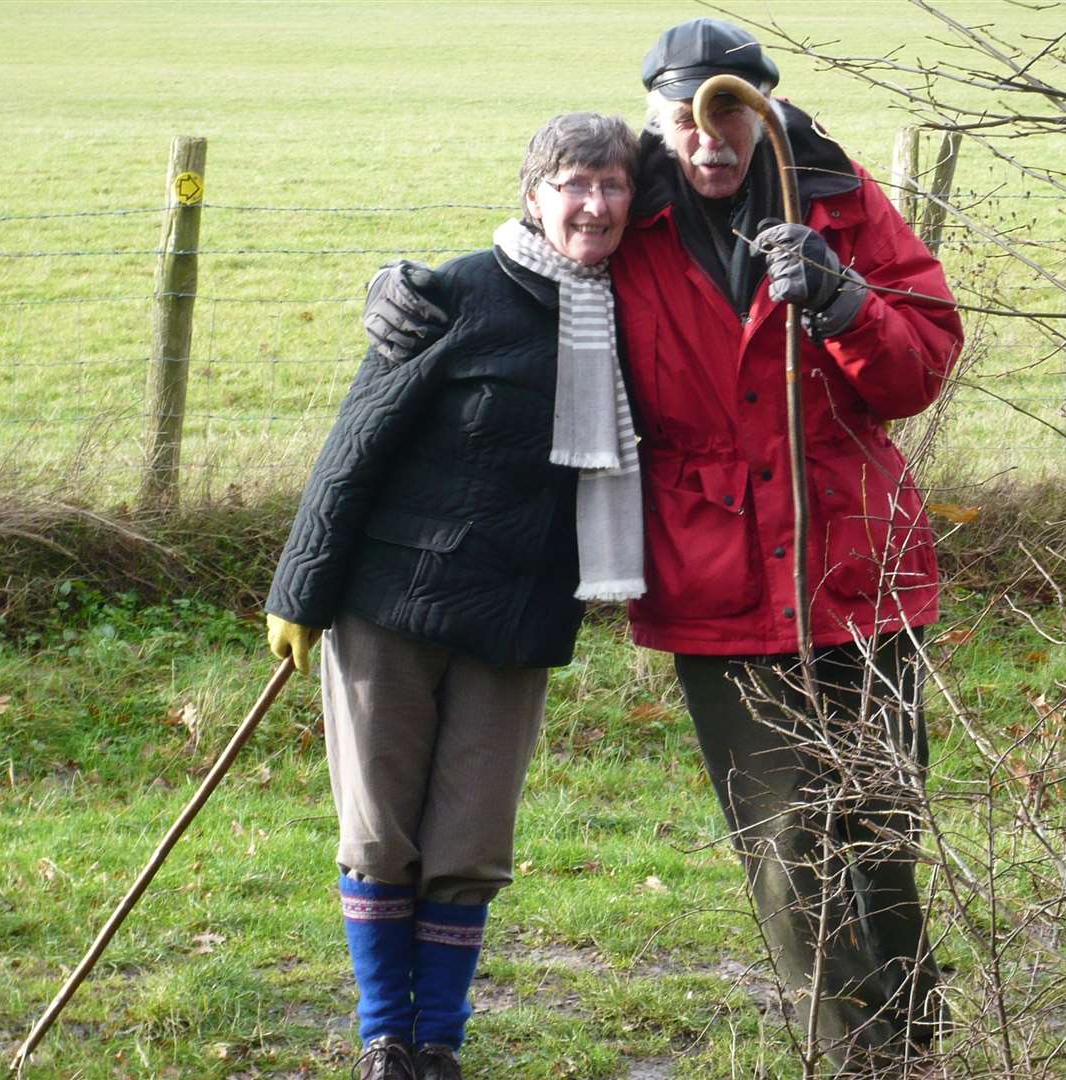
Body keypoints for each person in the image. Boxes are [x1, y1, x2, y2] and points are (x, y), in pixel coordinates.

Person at [366, 19, 963, 1072]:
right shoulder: (625, 216)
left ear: (761, 109)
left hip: (859, 573)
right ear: (654, 119)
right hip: (718, 583)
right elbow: (520, 273)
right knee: (791, 853)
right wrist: (411, 297)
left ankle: (912, 1053)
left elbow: (916, 373)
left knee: (877, 835)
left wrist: (842, 300)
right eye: (683, 116)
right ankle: (864, 1060)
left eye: (727, 110)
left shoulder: (839, 200)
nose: (707, 136)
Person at [265, 112, 643, 1080]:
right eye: (573, 184)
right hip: (389, 604)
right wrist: (299, 591)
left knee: (468, 842)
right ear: (532, 195)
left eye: (611, 185)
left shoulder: (635, 309)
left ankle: (438, 1045)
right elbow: (356, 445)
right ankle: (386, 1036)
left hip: (515, 620)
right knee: (379, 832)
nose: (593, 205)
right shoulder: (455, 294)